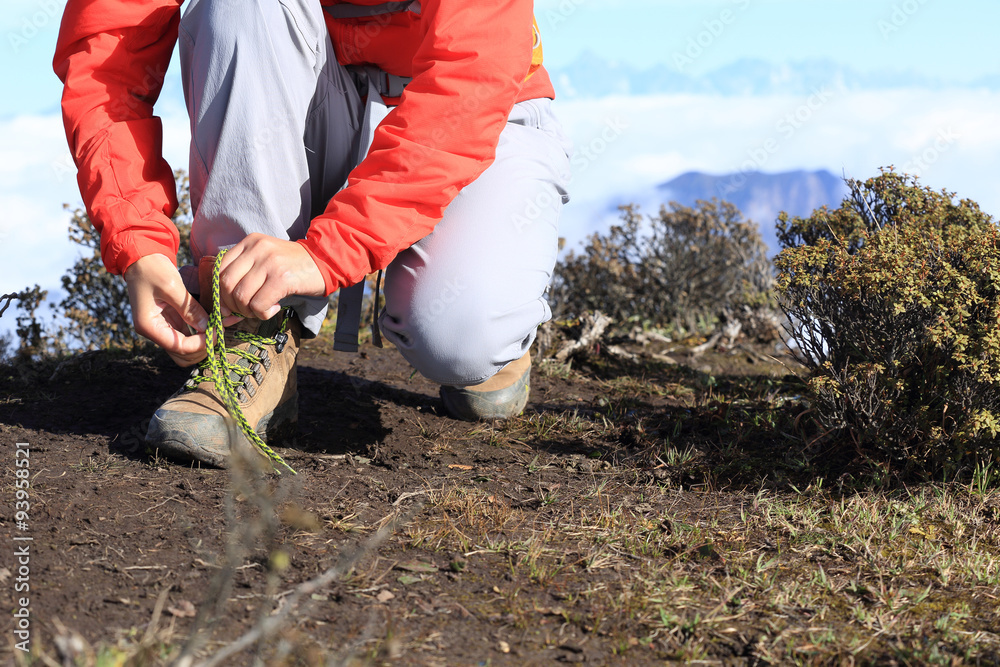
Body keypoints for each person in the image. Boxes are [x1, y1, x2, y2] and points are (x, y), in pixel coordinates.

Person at [54, 0, 571, 468]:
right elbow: (107, 57)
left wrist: (329, 253)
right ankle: (252, 330)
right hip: (312, 94)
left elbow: (470, 82)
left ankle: (498, 344)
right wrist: (136, 240)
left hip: (477, 112)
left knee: (461, 338)